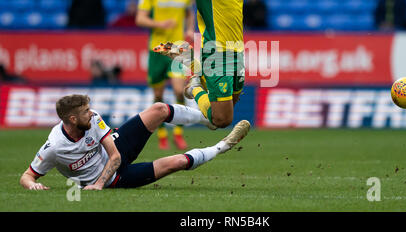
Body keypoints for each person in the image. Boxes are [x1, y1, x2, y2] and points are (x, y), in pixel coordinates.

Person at [120, 0, 286, 130]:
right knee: (221, 121)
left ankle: (198, 72)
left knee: (223, 113)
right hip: (217, 52)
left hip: (237, 50)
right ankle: (196, 85)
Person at [19, 94, 250, 190]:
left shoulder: (94, 119)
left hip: (114, 153)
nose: (92, 113)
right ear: (71, 119)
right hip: (116, 179)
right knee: (177, 162)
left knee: (159, 109)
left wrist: (97, 185)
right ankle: (223, 146)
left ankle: (208, 119)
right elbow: (27, 176)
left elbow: (115, 155)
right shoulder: (55, 147)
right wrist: (34, 185)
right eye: (85, 111)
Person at [135, 0, 195, 150]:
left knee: (179, 90)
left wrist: (188, 29)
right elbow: (140, 19)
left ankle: (178, 132)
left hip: (177, 47)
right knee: (159, 95)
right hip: (158, 47)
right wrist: (160, 23)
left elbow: (189, 13)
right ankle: (161, 133)